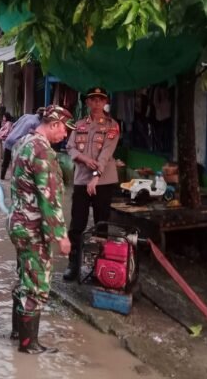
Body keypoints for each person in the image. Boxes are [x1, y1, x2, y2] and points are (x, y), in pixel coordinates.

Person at [8, 105, 74, 354]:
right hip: (33, 227)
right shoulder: (42, 151)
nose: (65, 135)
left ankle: (17, 334)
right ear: (54, 124)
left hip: (18, 224)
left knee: (25, 278)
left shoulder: (23, 142)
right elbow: (49, 198)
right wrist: (61, 236)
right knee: (36, 285)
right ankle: (29, 346)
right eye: (64, 130)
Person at [63, 87, 120, 281]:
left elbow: (106, 153)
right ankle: (73, 264)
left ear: (105, 103)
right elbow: (69, 147)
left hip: (103, 181)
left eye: (100, 100)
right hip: (81, 180)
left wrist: (96, 175)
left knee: (100, 224)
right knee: (76, 223)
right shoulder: (79, 125)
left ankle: (100, 266)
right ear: (86, 102)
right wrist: (83, 159)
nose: (96, 103)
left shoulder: (112, 126)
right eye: (92, 100)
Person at [0, 107, 45, 180]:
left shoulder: (26, 115)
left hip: (10, 139)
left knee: (5, 161)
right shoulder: (38, 123)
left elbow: (13, 125)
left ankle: (2, 177)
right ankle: (14, 180)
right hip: (18, 143)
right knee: (15, 163)